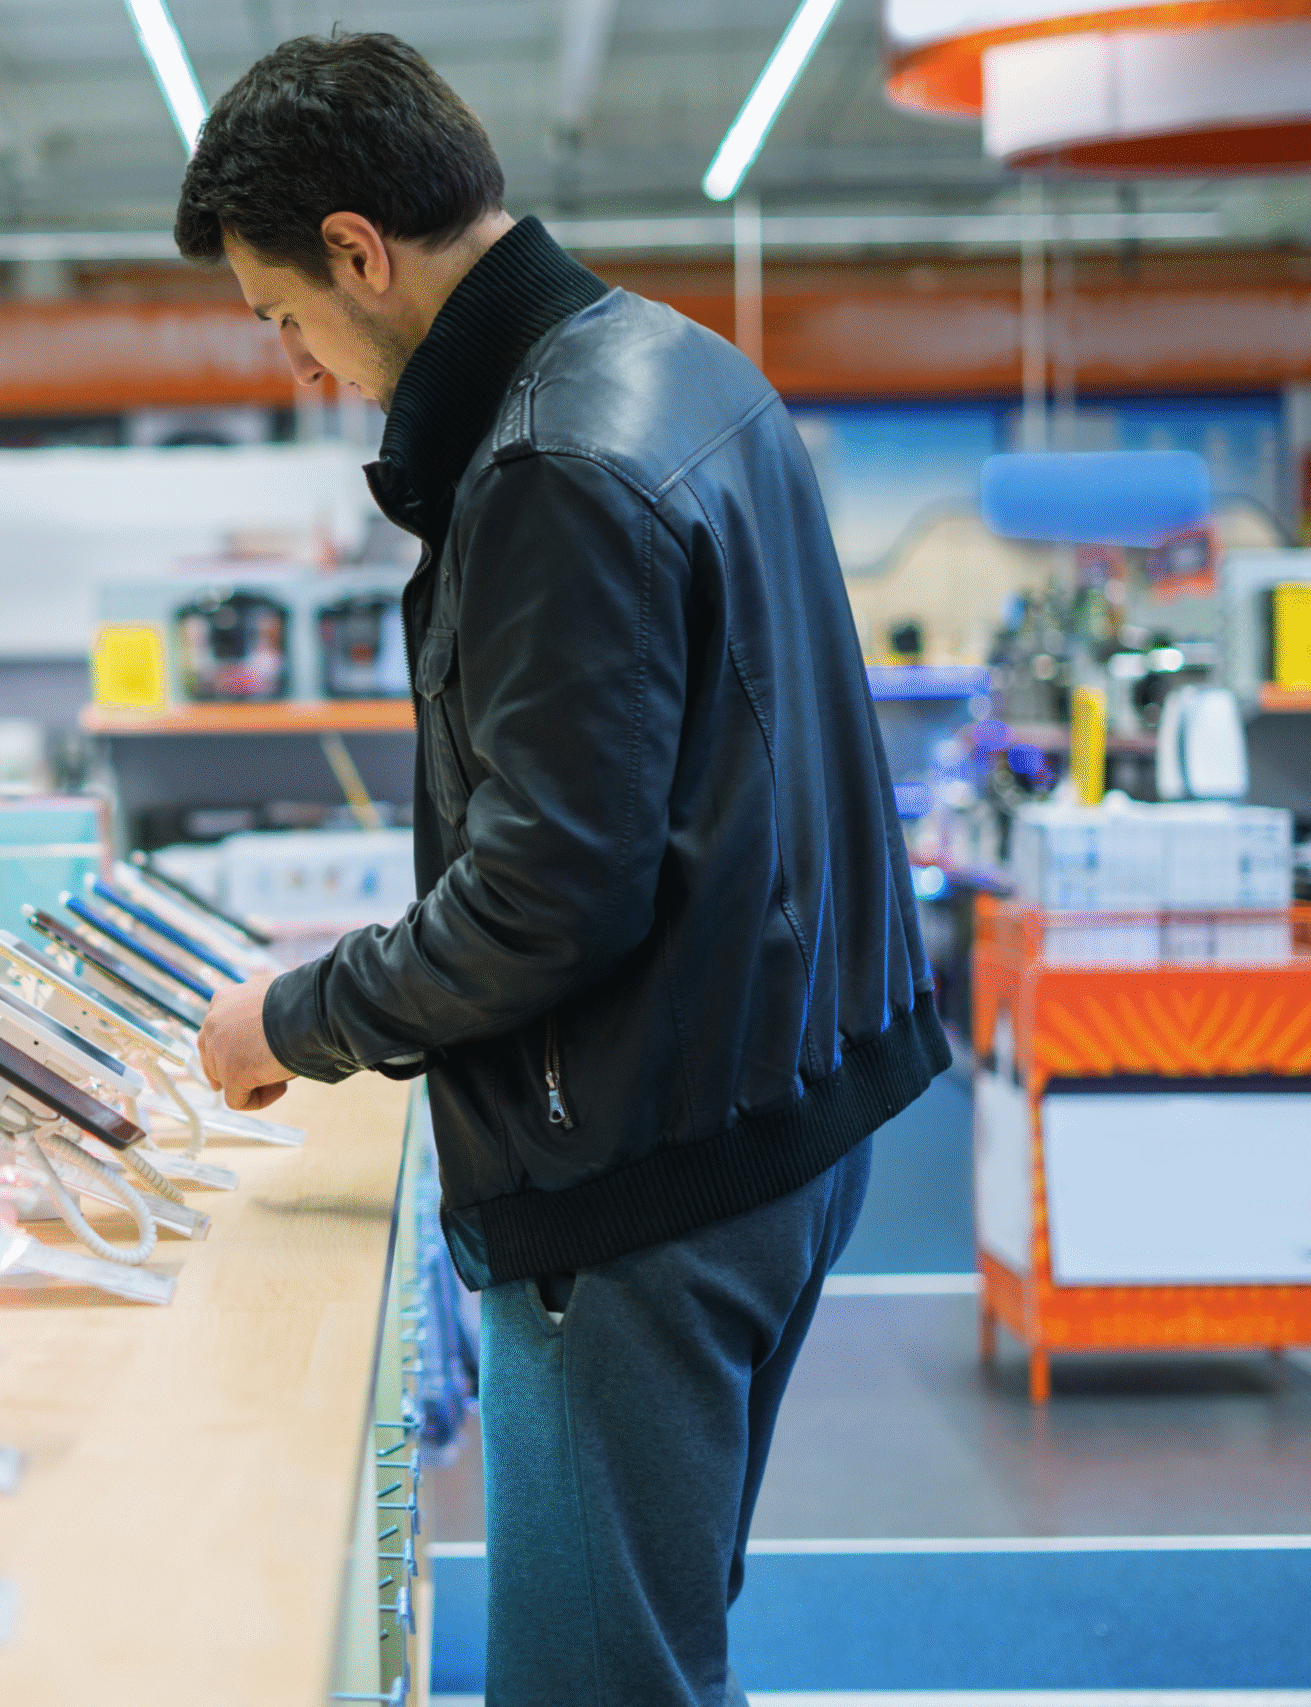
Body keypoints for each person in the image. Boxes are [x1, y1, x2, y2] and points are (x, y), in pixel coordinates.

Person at [177, 33, 947, 1706]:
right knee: (656, 1651)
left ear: (360, 252)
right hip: (786, 1102)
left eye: (280, 314)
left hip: (647, 1172)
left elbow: (548, 895)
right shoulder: (676, 364)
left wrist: (291, 1019)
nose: (295, 361)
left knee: (598, 1686)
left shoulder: (541, 468)